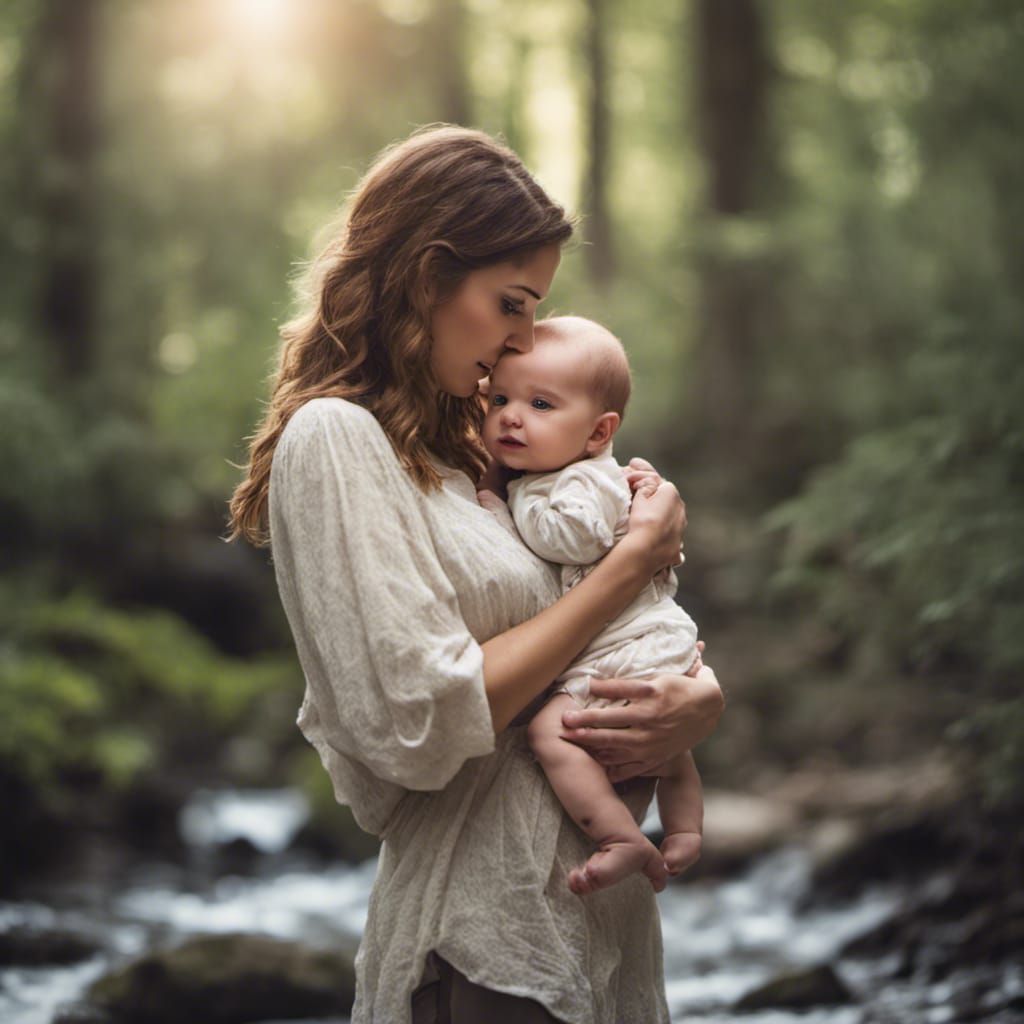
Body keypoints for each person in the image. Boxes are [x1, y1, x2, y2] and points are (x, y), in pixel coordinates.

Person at [228, 125, 724, 1024]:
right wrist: (627, 566)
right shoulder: (337, 443)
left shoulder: (482, 447)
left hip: (600, 931)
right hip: (480, 941)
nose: (524, 339)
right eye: (511, 303)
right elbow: (417, 721)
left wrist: (694, 702)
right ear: (427, 275)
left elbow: (609, 621)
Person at [478, 315, 704, 898]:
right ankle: (683, 828)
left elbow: (572, 538)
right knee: (668, 746)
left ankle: (620, 836)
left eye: (541, 404)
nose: (511, 415)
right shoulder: (571, 474)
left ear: (599, 432)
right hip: (649, 636)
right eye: (499, 398)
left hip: (627, 641)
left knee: (553, 733)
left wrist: (505, 512)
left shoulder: (581, 482)